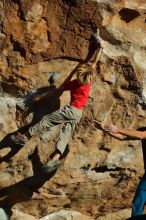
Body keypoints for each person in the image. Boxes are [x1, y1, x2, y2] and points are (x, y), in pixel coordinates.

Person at [10, 33, 104, 172]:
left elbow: (56, 92)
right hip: (78, 113)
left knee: (47, 120)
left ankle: (25, 136)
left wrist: (39, 97)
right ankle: (55, 158)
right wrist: (100, 48)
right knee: (65, 135)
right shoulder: (87, 82)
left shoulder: (74, 84)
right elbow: (94, 63)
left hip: (71, 110)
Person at [103, 123, 146, 217]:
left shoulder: (143, 133)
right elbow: (121, 137)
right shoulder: (143, 129)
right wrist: (104, 129)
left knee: (140, 198)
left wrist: (117, 129)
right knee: (139, 200)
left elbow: (141, 135)